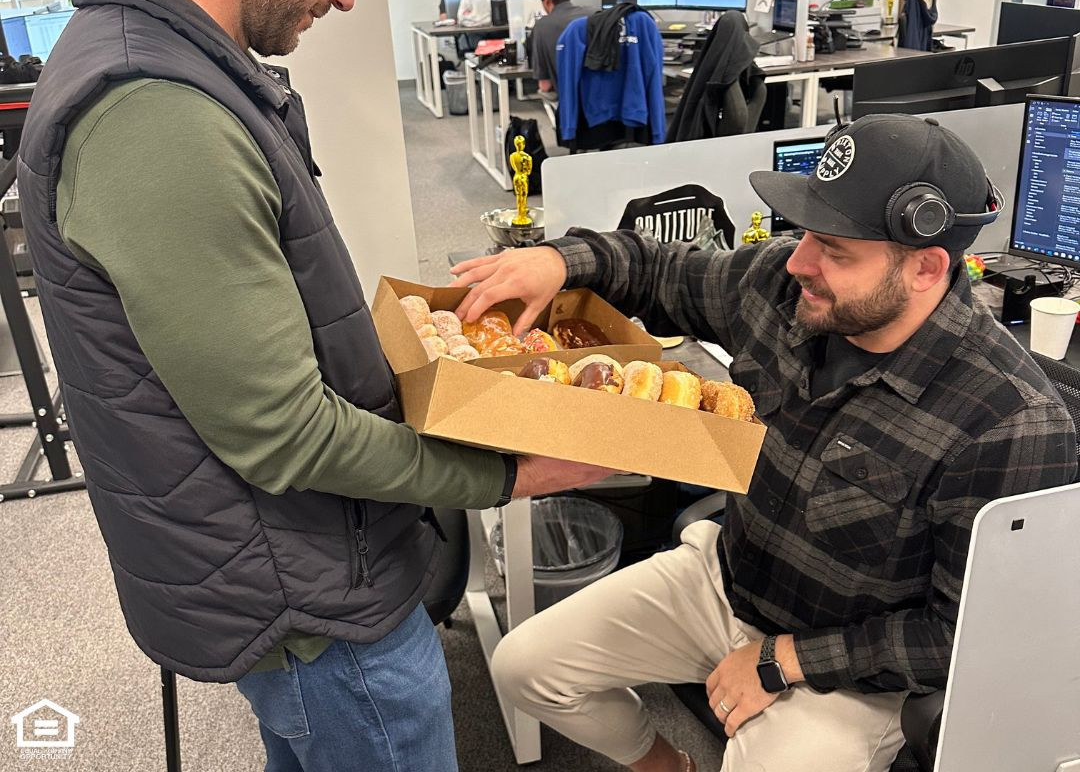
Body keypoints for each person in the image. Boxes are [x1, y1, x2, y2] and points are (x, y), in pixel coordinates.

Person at [16, 0, 610, 772]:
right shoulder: (156, 114)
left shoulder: (172, 69)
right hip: (310, 600)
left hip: (292, 567)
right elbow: (284, 438)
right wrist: (505, 471)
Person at [450, 114, 1077, 772]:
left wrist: (787, 662)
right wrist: (560, 259)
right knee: (524, 666)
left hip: (848, 673)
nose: (800, 260)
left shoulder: (1011, 423)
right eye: (807, 232)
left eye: (835, 250)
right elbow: (661, 269)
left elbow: (962, 636)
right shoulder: (783, 287)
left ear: (925, 268)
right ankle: (667, 765)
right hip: (726, 578)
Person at [531, 0, 592, 94]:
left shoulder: (542, 26)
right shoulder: (595, 15)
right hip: (606, 102)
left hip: (572, 105)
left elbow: (545, 85)